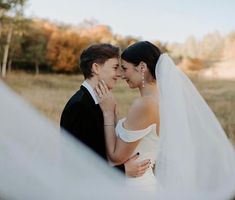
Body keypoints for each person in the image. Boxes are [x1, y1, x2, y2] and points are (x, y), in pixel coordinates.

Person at [96, 41, 235, 195]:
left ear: (142, 67)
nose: (121, 75)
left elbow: (116, 158)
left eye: (125, 68)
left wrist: (109, 113)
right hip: (146, 182)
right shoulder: (164, 100)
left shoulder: (145, 105)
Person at [60, 43, 150, 176]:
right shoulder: (79, 107)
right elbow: (79, 164)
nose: (119, 74)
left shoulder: (101, 102)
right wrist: (123, 171)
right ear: (96, 68)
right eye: (115, 67)